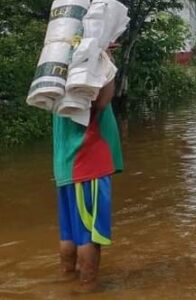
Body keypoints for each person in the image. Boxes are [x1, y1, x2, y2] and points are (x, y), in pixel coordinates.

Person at [54, 75, 123, 291]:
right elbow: (101, 101)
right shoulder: (87, 65)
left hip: (65, 166)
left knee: (69, 234)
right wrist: (108, 68)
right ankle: (88, 287)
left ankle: (67, 281)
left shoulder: (60, 68)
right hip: (87, 164)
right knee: (88, 236)